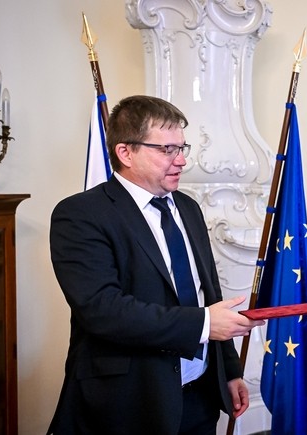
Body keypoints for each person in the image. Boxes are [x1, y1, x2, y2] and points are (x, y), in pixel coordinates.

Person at [47, 95, 264, 435]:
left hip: (200, 396)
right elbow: (103, 310)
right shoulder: (80, 215)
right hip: (129, 403)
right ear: (125, 152)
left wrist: (230, 370)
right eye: (167, 149)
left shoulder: (188, 208)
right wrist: (204, 324)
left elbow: (208, 294)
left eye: (182, 148)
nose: (181, 160)